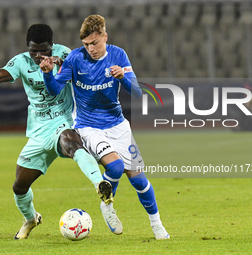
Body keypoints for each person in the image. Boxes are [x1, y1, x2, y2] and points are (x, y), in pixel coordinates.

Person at [0, 23, 113, 240]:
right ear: (28, 46)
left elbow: (86, 68)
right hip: (38, 131)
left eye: (44, 50)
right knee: (19, 186)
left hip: (62, 120)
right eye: (34, 50)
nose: (38, 55)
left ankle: (99, 184)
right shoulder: (21, 62)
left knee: (70, 141)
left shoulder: (64, 53)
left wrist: (59, 62)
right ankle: (31, 219)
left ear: (51, 46)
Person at [40, 15, 169, 240]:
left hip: (118, 125)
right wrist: (47, 73)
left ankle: (156, 224)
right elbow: (54, 90)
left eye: (95, 43)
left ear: (105, 37)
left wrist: (123, 78)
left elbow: (137, 92)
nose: (91, 49)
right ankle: (108, 207)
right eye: (86, 44)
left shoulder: (118, 55)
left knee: (139, 180)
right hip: (89, 127)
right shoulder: (74, 59)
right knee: (116, 168)